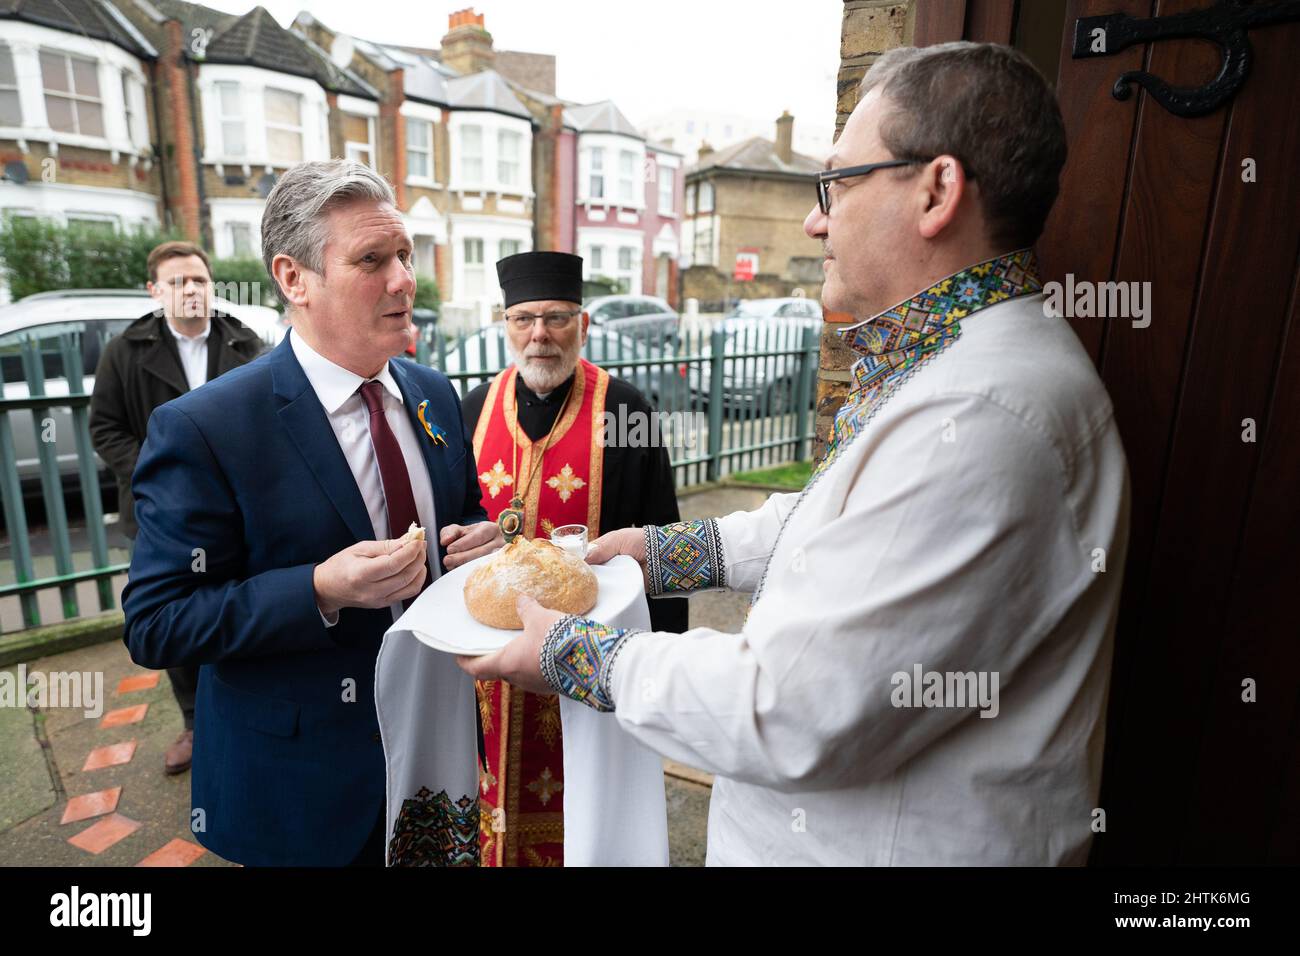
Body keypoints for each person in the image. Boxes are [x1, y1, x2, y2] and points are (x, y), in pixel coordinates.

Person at [460, 42, 1132, 866]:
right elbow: (835, 521)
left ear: (937, 191)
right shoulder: (952, 365)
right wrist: (667, 549)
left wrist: (575, 653)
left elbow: (788, 709)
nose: (816, 218)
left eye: (837, 182)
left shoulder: (979, 413)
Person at [122, 160, 500, 866]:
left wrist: (478, 543)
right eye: (371, 260)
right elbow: (156, 622)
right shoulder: (208, 426)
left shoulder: (434, 392)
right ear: (295, 278)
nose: (403, 280)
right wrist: (319, 589)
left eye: (405, 256)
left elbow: (461, 513)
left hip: (438, 746)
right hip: (306, 790)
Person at [458, 251, 686, 867]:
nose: (539, 335)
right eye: (523, 318)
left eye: (556, 318)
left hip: (591, 661)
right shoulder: (473, 408)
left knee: (587, 815)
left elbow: (662, 539)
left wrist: (660, 670)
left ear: (581, 322)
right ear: (505, 322)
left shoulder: (627, 411)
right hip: (491, 664)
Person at [90, 240, 263, 776]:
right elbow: (105, 428)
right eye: (176, 282)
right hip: (164, 513)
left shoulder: (243, 342)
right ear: (154, 290)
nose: (190, 290)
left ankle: (244, 712)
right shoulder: (126, 349)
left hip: (238, 509)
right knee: (176, 619)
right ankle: (193, 724)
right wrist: (161, 470)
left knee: (241, 606)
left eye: (198, 280)